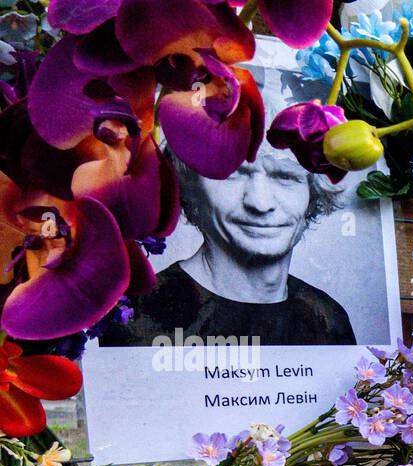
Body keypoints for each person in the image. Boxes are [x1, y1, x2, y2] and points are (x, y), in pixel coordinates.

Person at [99, 76, 356, 348]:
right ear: (191, 189)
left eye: (284, 177)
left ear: (313, 197)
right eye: (233, 175)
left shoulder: (328, 319)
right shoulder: (139, 317)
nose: (260, 202)